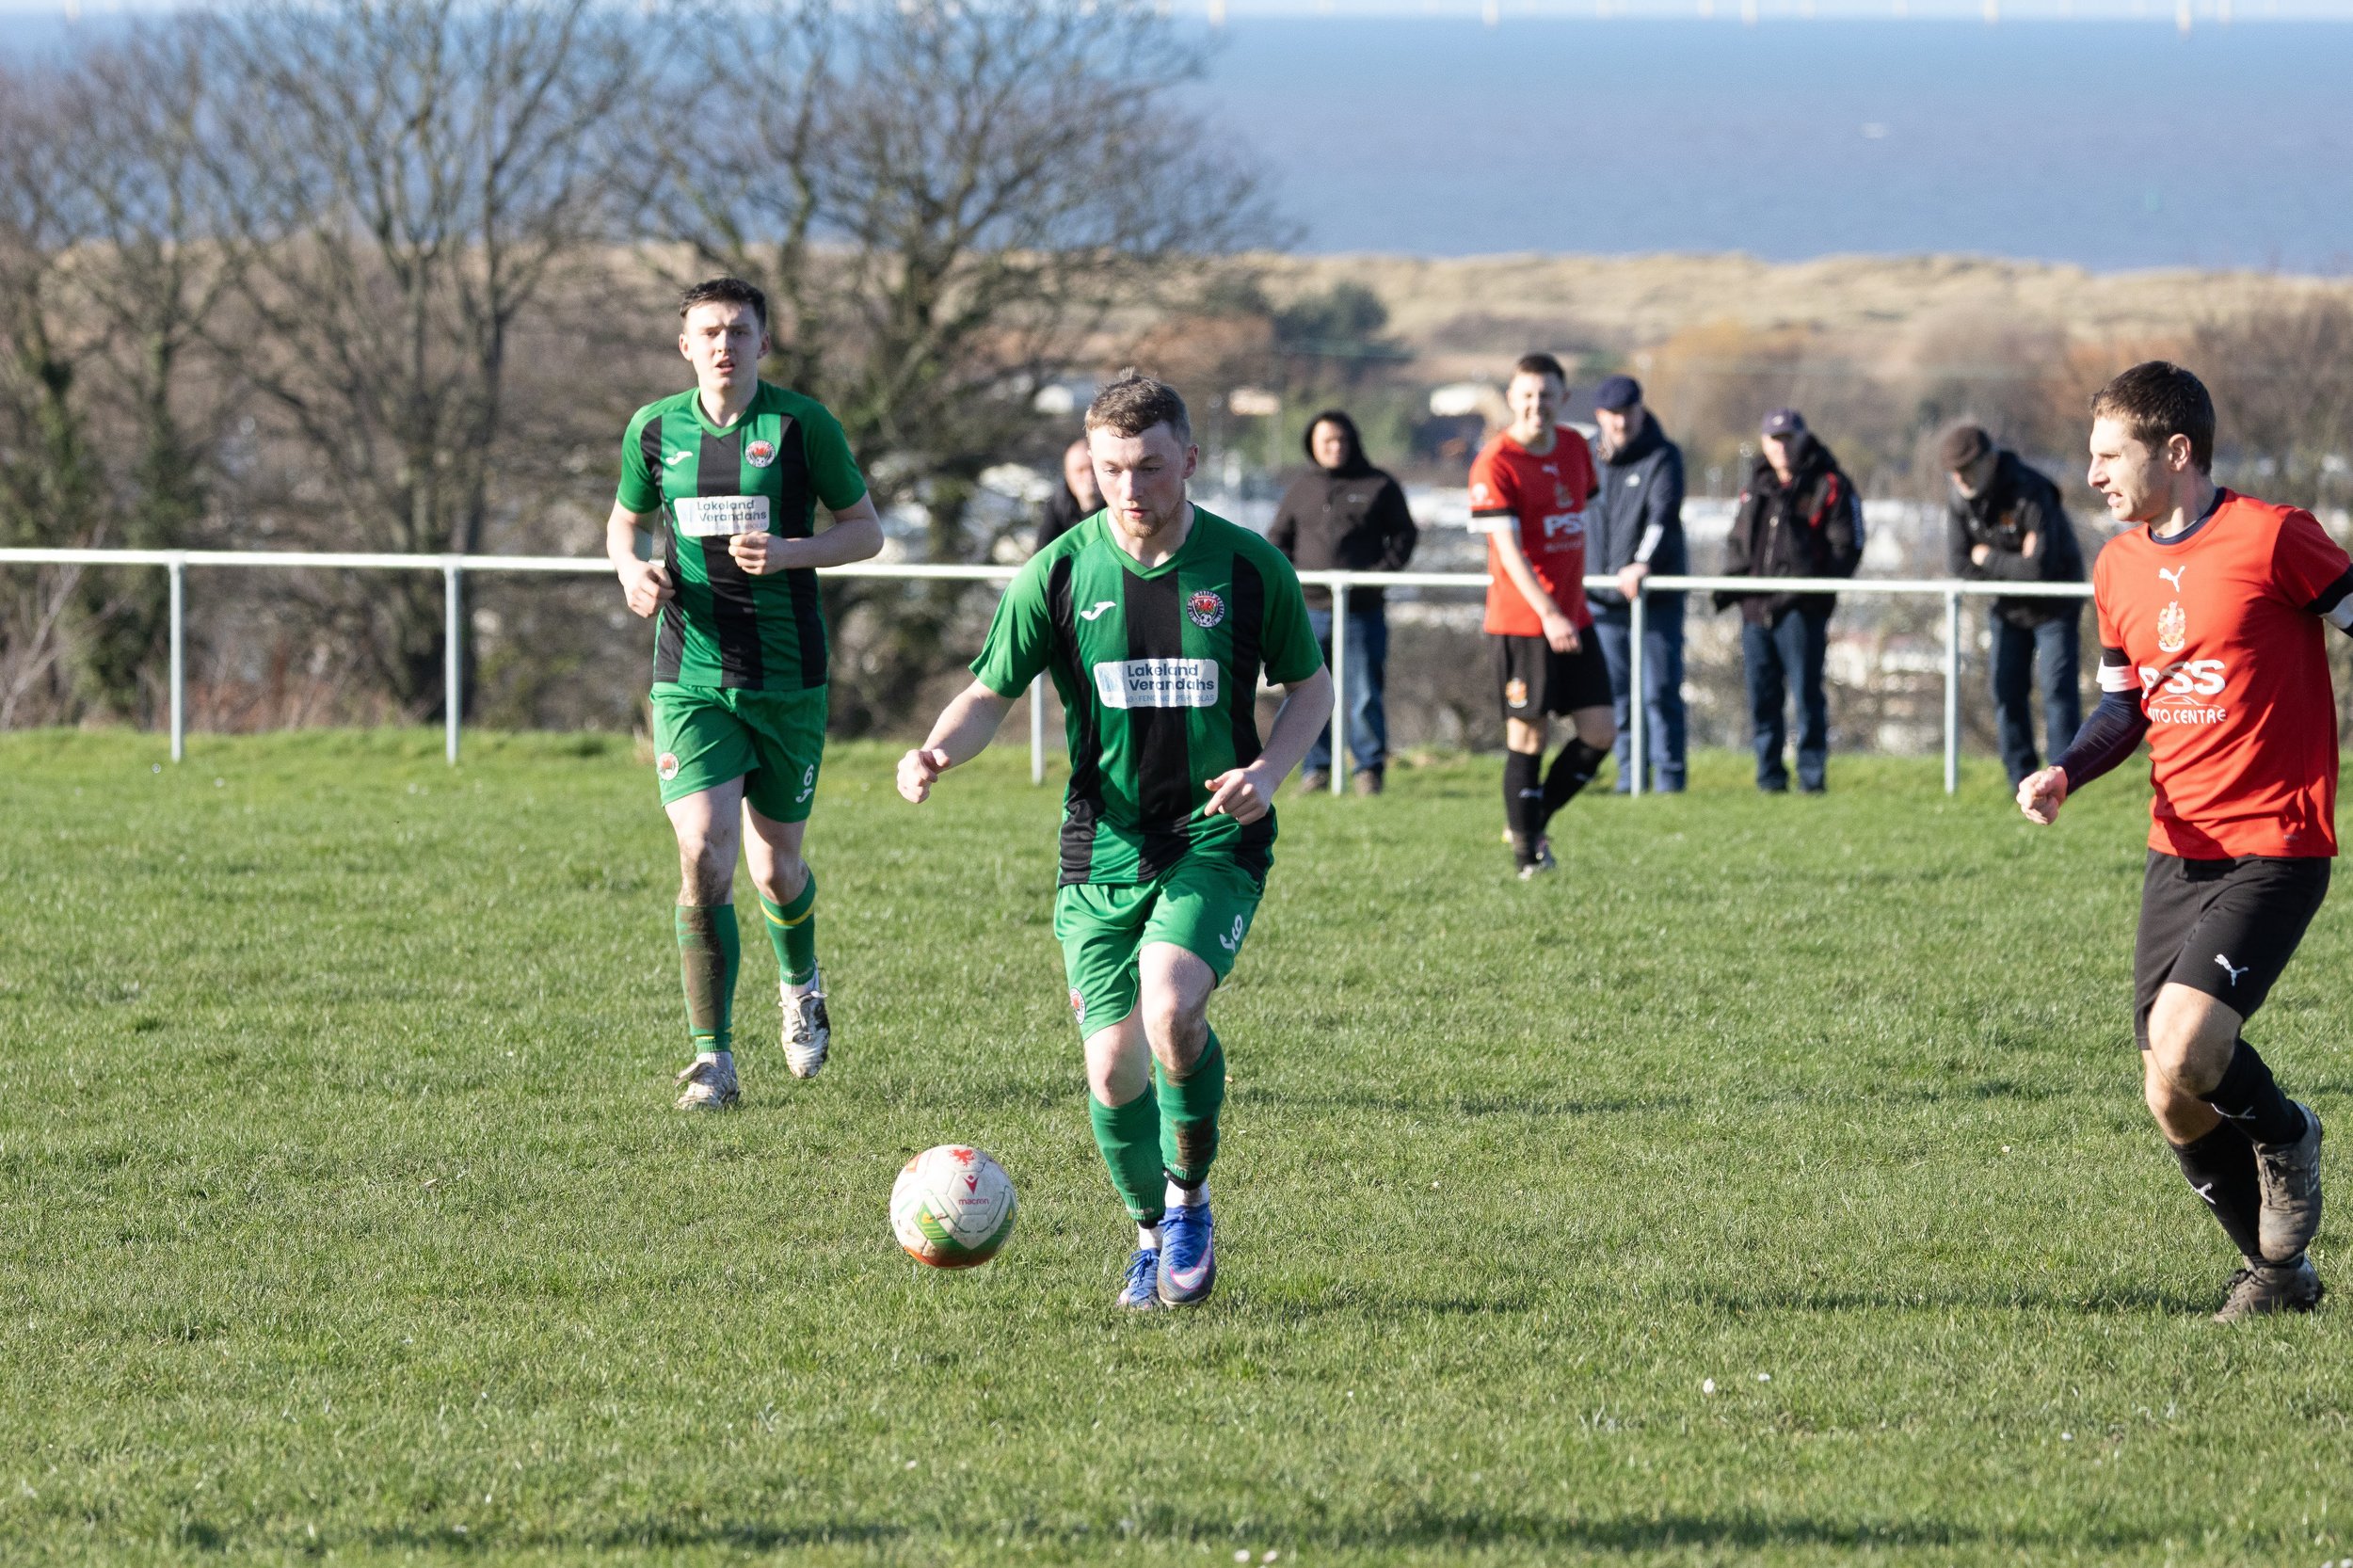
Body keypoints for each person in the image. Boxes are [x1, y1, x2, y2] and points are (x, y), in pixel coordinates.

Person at [896, 373, 1331, 1312]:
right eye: (1108, 468)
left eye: (1147, 466)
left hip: (1214, 837)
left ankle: (1189, 1199)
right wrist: (938, 748)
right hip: (1100, 848)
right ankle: (1146, 1235)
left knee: (1172, 1008)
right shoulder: (1057, 572)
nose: (1128, 487)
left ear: (1188, 460)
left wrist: (1267, 775)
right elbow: (987, 696)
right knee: (1110, 1066)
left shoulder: (1249, 568)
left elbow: (1311, 689)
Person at [2019, 360, 2345, 1322]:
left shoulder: (2275, 537)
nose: (2091, 474)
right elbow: (2126, 707)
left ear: (2175, 450)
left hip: (2276, 843)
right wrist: (2066, 770)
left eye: (2106, 453)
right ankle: (2277, 1275)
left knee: (2187, 1042)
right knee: (2170, 1092)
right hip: (2176, 851)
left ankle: (2289, 1134)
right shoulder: (2118, 565)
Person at [605, 277, 886, 1110]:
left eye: (739, 330)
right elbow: (624, 521)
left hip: (788, 677)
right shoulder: (653, 430)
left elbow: (866, 530)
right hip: (689, 675)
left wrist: (794, 552)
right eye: (709, 332)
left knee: (776, 866)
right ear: (684, 345)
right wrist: (629, 569)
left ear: (765, 342)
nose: (724, 344)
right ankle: (713, 1061)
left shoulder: (802, 426)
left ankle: (799, 983)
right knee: (703, 849)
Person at [1470, 353, 1616, 878]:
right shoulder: (1495, 461)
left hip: (1573, 617)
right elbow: (1508, 551)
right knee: (1528, 736)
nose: (1537, 404)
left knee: (1600, 731)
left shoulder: (1577, 448)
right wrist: (1550, 611)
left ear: (1563, 398)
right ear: (1512, 398)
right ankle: (1527, 856)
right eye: (1527, 395)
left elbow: (1582, 516)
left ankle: (1530, 819)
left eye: (1547, 394)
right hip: (1523, 623)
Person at [1269, 409, 1418, 795]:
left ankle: (1368, 770)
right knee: (1306, 692)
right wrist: (1289, 583)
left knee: (1365, 692)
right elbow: (1275, 541)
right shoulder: (1301, 488)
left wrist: (1376, 575)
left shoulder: (1379, 485)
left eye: (1340, 441)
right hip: (1309, 612)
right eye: (1325, 442)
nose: (1334, 448)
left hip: (1362, 611)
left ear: (1352, 442)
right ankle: (1316, 771)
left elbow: (1404, 536)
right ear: (1313, 447)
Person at [1718, 408, 1861, 793]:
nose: (1781, 448)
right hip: (1755, 608)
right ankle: (1769, 778)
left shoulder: (1829, 484)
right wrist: (1731, 586)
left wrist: (1809, 587)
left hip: (1801, 609)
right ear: (1764, 443)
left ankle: (1811, 779)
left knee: (1806, 695)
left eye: (1787, 439)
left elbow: (1847, 548)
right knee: (1762, 697)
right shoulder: (1756, 484)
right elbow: (1738, 541)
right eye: (1774, 440)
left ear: (1802, 438)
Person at [1944, 424, 2087, 788]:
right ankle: (2019, 781)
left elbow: (2039, 569)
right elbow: (1960, 565)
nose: (1960, 478)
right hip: (2008, 606)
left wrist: (1987, 556)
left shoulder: (2031, 491)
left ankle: (2062, 782)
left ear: (1990, 460)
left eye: (1967, 468)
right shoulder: (1960, 499)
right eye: (1954, 471)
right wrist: (2012, 568)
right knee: (2005, 690)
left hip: (2056, 602)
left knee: (2057, 691)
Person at [1586, 375, 1689, 793]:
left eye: (1627, 413)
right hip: (1600, 598)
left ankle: (1669, 780)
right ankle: (1630, 778)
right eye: (1612, 415)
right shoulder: (1584, 456)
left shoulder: (1663, 457)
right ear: (1600, 417)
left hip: (1654, 598)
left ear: (1640, 411)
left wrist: (1640, 564)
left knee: (1659, 691)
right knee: (1617, 697)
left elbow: (1661, 517)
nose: (1621, 423)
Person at [1034, 436, 1100, 553]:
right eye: (1080, 470)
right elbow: (1043, 553)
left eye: (1093, 468)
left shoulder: (1119, 502)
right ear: (1068, 475)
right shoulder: (1058, 504)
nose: (1089, 476)